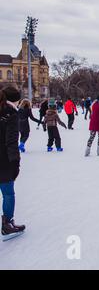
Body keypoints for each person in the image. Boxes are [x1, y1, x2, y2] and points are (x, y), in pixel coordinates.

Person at [0, 87, 26, 239]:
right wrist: (15, 163)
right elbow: (11, 141)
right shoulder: (11, 114)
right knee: (8, 193)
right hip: (4, 160)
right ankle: (7, 224)